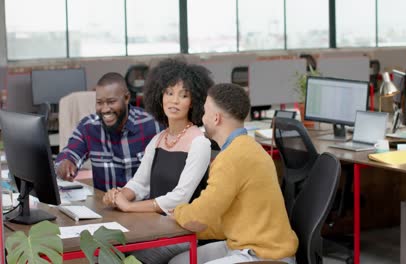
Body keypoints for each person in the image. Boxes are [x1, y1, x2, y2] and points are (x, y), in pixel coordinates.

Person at [169, 83, 298, 264]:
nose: (202, 118)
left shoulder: (231, 158)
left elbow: (200, 215)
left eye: (205, 112)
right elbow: (221, 219)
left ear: (216, 119)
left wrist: (178, 213)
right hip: (244, 244)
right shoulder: (249, 147)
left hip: (264, 255)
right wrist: (192, 223)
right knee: (178, 262)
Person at [102, 58, 214, 264]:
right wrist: (119, 195)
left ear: (194, 102)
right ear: (159, 96)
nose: (174, 100)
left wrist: (129, 207)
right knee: (105, 251)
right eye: (169, 93)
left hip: (181, 231)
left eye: (184, 95)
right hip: (153, 226)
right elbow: (140, 183)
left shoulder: (199, 143)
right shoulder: (158, 139)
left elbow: (180, 198)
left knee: (130, 258)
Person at [55, 72, 163, 191]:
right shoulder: (88, 127)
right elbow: (69, 153)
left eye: (111, 102)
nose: (105, 109)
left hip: (142, 206)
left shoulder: (153, 125)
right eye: (99, 103)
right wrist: (65, 164)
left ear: (126, 98)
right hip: (105, 206)